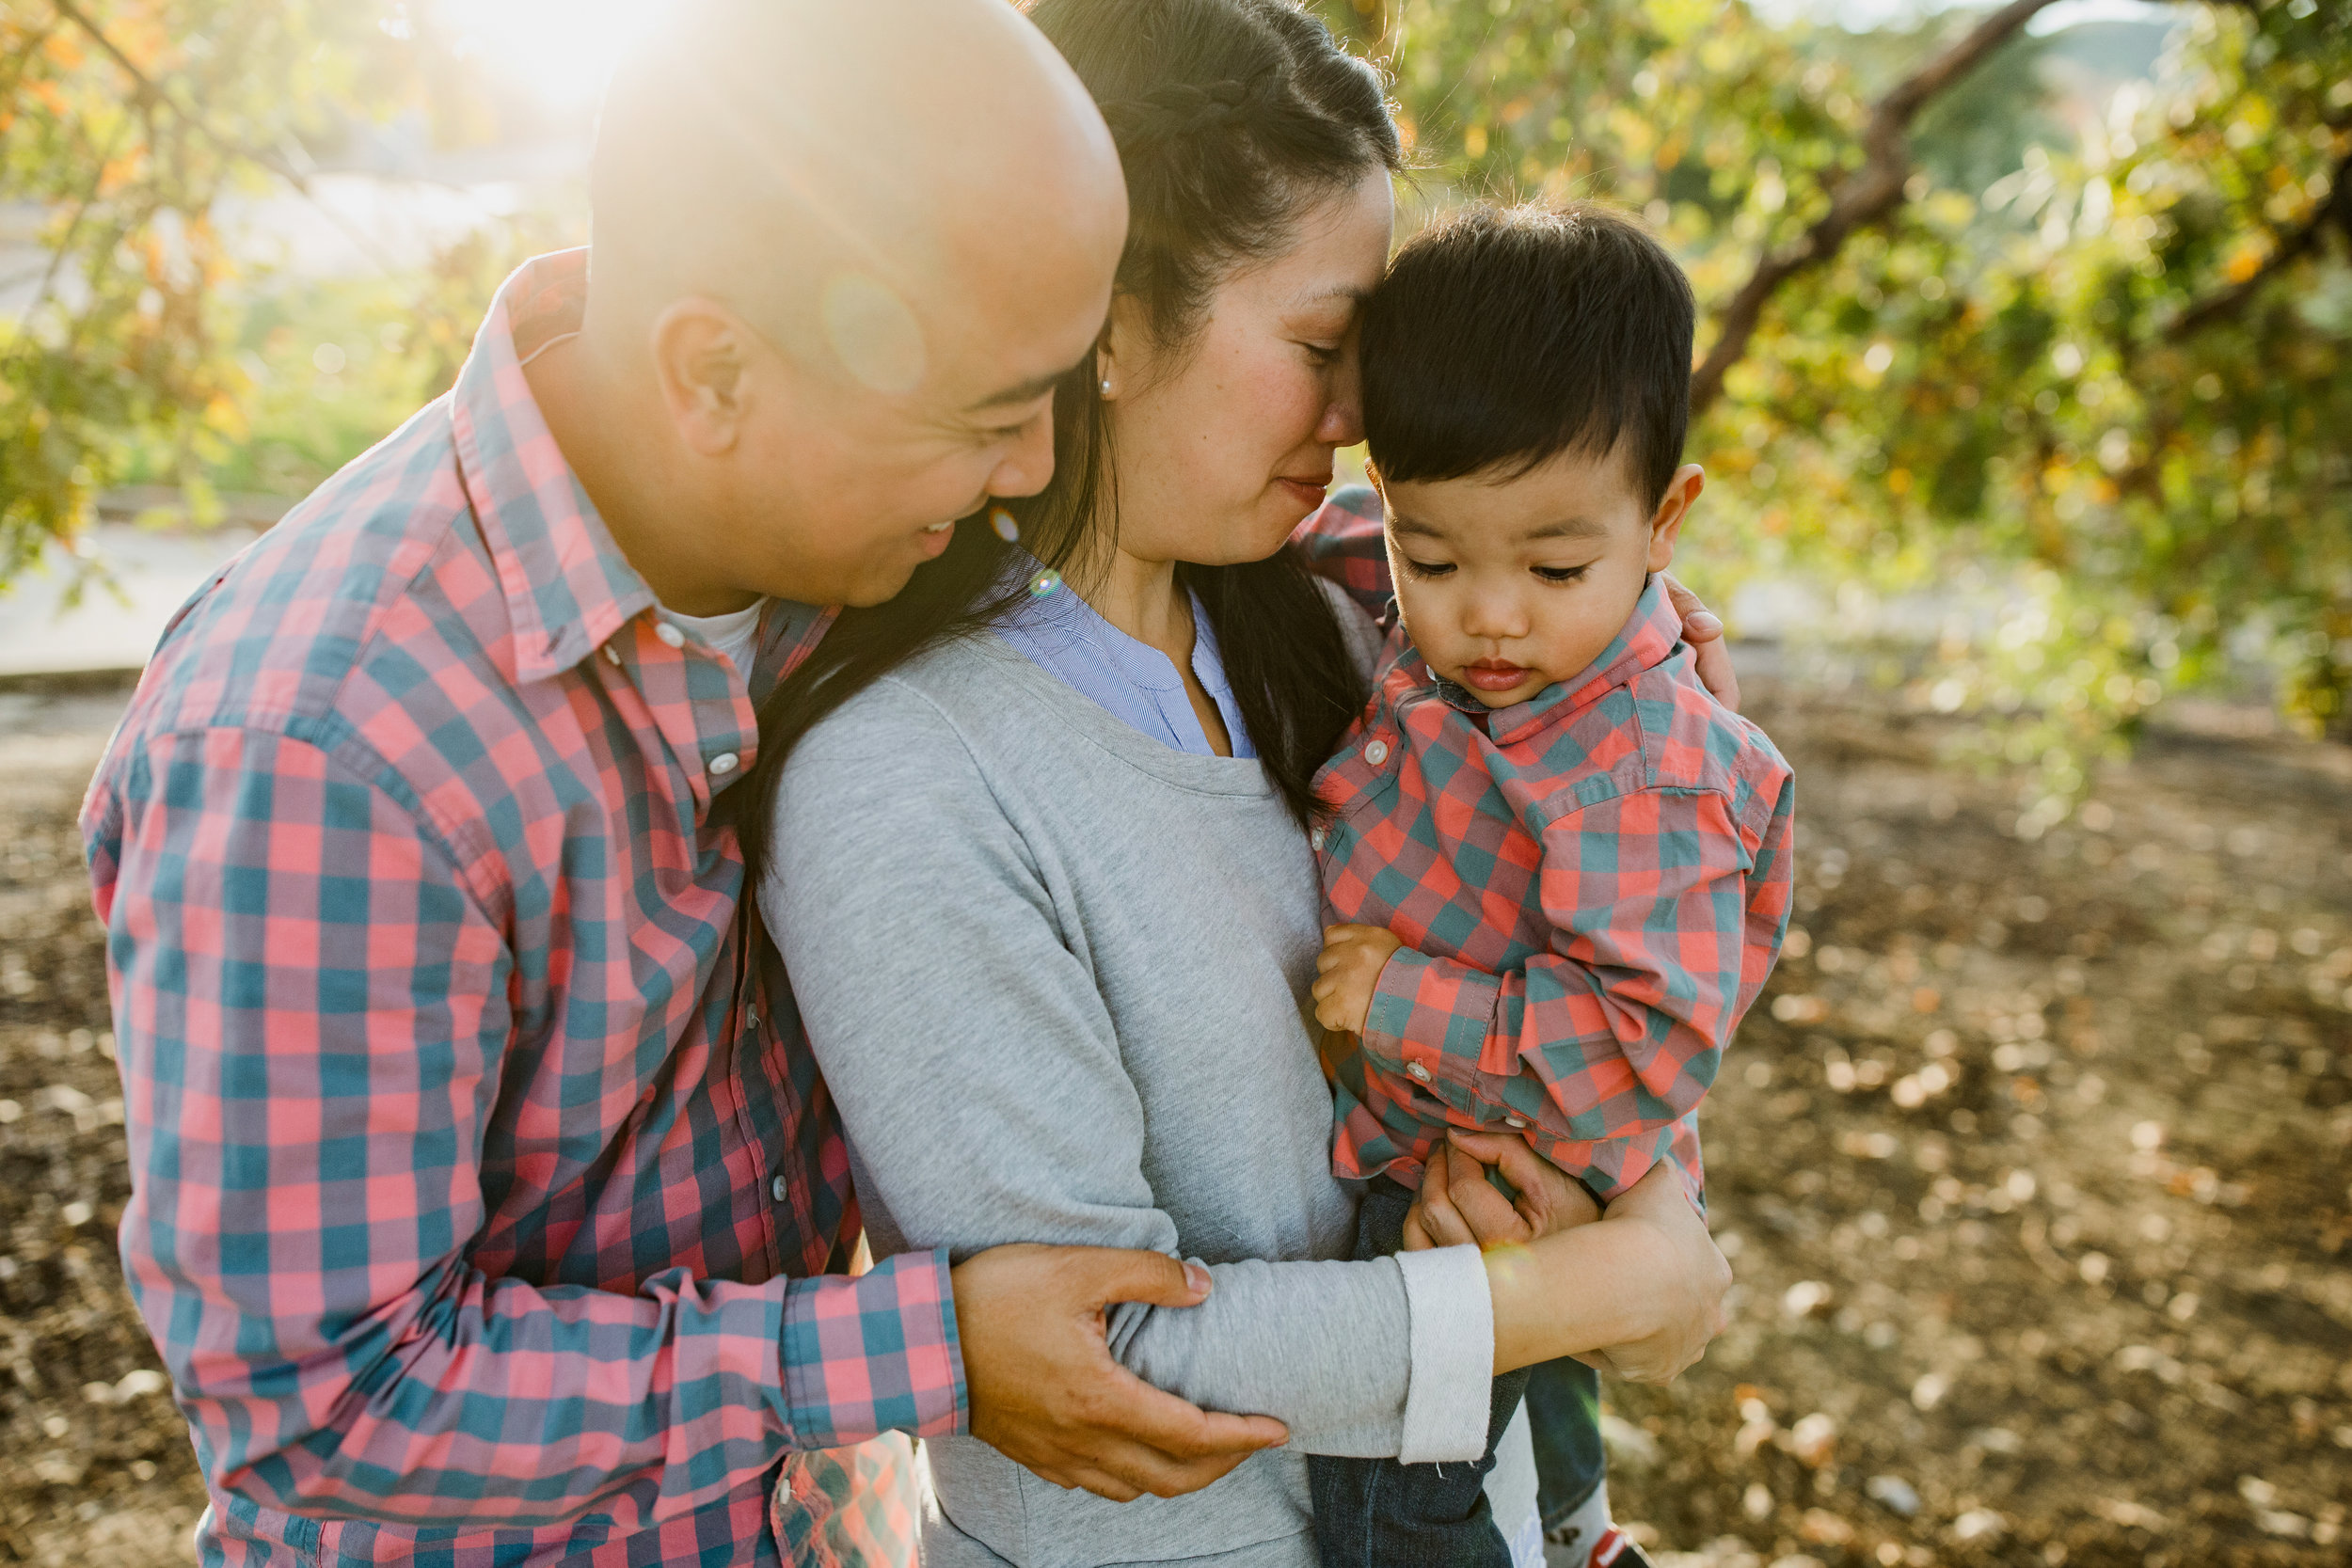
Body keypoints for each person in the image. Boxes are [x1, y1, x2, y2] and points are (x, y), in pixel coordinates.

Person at [75, 5, 1303, 1564]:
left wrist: (1552, 629)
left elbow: (1140, 557)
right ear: (711, 372)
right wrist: (922, 1354)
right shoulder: (325, 754)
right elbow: (331, 1408)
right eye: (992, 420)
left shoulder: (841, 517)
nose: (1029, 473)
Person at [750, 5, 1739, 1563]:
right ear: (1116, 320)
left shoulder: (1358, 646)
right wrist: (1590, 1292)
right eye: (1325, 349)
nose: (1364, 420)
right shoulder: (906, 777)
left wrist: (1620, 1207)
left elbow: (1596, 978)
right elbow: (1095, 1367)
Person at [1298, 202, 1797, 1568]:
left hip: (1512, 1162)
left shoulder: (1642, 765)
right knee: (1534, 1441)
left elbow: (1641, 1049)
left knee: (1404, 1494)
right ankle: (1579, 1535)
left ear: (1664, 521)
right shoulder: (1432, 603)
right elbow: (1338, 545)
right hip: (1445, 1140)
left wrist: (1409, 1001)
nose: (1490, 615)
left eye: (1557, 566)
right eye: (1434, 557)